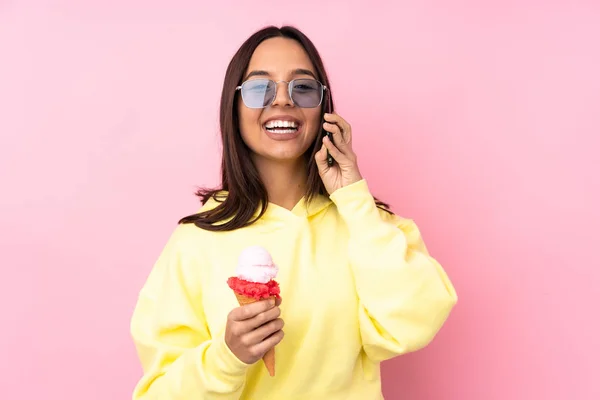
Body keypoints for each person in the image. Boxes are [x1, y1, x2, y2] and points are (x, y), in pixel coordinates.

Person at [130, 25, 457, 399]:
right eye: (259, 88)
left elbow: (413, 325)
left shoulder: (363, 222)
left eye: (302, 87)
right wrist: (226, 357)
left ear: (323, 110)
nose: (283, 101)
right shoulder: (196, 241)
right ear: (233, 108)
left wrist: (353, 198)